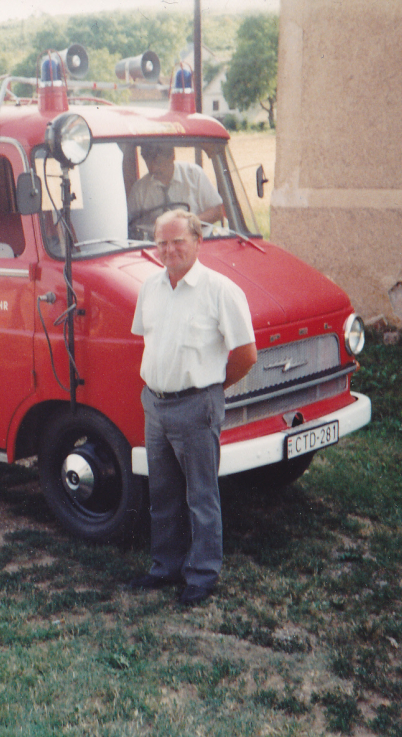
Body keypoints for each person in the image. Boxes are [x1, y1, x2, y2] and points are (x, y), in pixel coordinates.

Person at [128, 209, 257, 606]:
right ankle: (165, 566)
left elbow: (247, 354)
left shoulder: (221, 291)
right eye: (162, 242)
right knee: (162, 493)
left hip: (196, 406)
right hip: (156, 405)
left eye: (177, 241)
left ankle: (202, 574)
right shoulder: (149, 287)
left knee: (201, 496)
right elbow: (148, 340)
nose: (169, 249)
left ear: (198, 241)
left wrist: (210, 389)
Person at [127, 144, 224, 235]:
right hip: (155, 245)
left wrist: (189, 225)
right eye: (148, 163)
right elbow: (129, 222)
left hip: (197, 242)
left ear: (172, 156)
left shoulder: (194, 174)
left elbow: (217, 210)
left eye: (158, 162)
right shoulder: (139, 189)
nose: (153, 168)